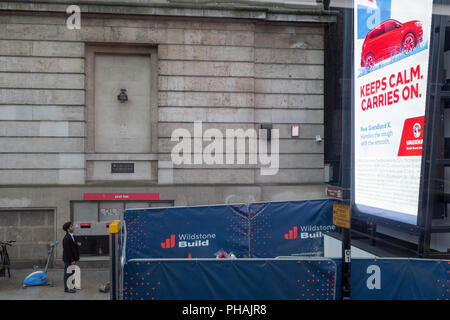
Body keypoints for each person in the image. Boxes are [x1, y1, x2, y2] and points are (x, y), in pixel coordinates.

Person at [62, 221, 79, 293]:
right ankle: (67, 288)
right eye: (71, 226)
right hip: (69, 259)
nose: (73, 227)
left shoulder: (72, 236)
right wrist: (72, 260)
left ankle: (71, 285)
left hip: (73, 259)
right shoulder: (66, 238)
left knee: (72, 273)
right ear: (68, 229)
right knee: (68, 273)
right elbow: (67, 251)